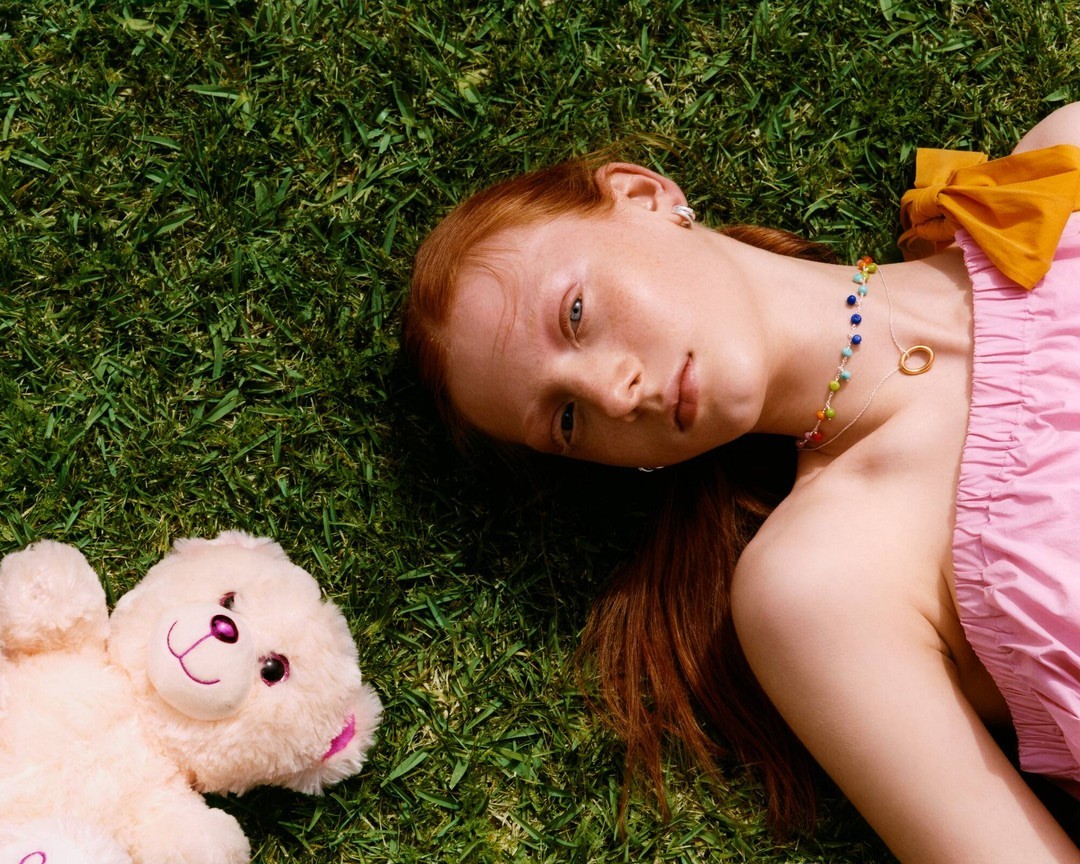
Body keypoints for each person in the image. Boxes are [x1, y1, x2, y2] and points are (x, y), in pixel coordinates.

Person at [403, 102, 1080, 863]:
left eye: (577, 313)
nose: (613, 395)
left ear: (645, 196)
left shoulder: (1058, 172)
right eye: (567, 420)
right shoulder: (823, 586)